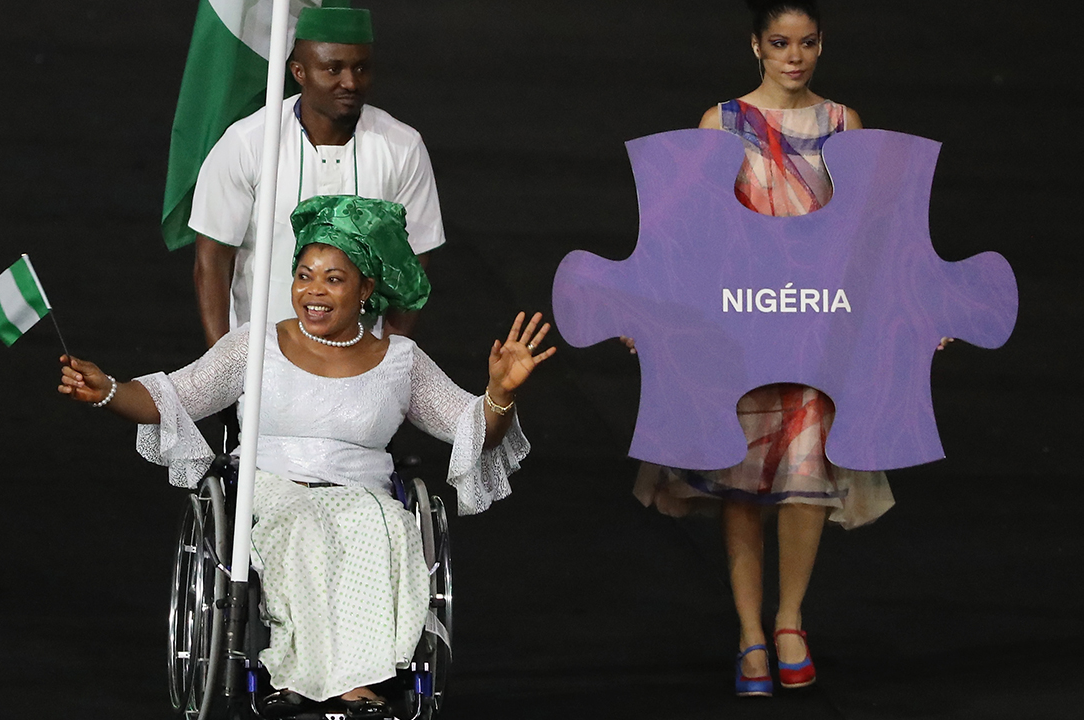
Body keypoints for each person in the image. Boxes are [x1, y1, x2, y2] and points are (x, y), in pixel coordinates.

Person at [59, 195, 554, 717]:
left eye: (334, 279)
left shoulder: (400, 362)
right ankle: (308, 675)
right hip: (272, 487)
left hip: (361, 494)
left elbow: (475, 432)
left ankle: (357, 683)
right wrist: (111, 390)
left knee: (386, 525)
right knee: (303, 526)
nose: (313, 290)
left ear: (366, 288)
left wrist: (499, 394)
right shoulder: (256, 346)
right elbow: (175, 396)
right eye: (304, 275)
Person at [627, 0, 937, 698]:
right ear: (756, 47)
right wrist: (652, 310)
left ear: (821, 47)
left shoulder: (842, 124)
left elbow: (868, 234)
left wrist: (914, 311)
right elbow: (690, 229)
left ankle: (791, 618)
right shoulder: (722, 123)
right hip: (739, 327)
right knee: (741, 483)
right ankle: (751, 634)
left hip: (817, 325)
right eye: (779, 42)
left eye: (806, 43)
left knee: (807, 473)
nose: (793, 55)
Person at [190, 3, 446, 347]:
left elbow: (415, 261)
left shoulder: (402, 147)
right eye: (333, 69)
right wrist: (223, 364)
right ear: (299, 71)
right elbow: (212, 259)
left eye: (361, 68)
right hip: (264, 364)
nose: (350, 82)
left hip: (362, 367)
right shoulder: (248, 142)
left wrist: (389, 354)